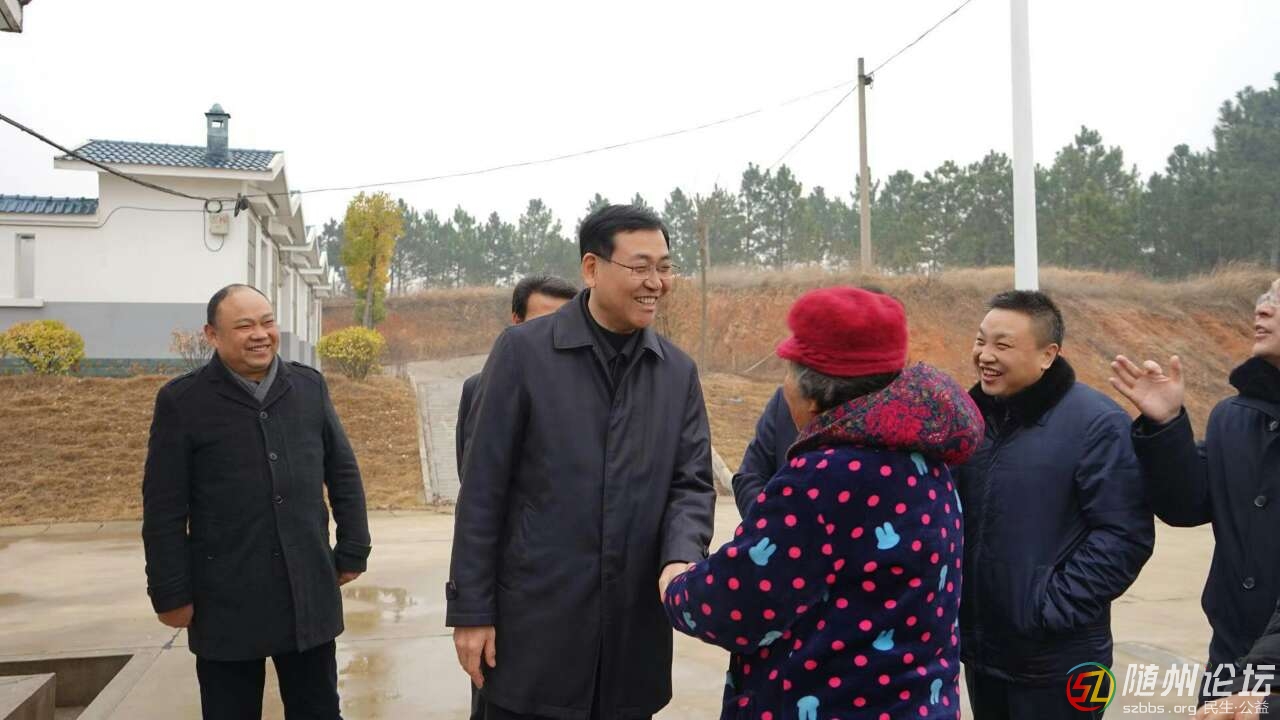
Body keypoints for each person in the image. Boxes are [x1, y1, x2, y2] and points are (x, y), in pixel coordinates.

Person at [446, 204, 716, 720]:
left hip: (631, 633)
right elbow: (482, 490)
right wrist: (471, 611)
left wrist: (680, 556)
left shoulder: (676, 372)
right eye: (640, 267)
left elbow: (691, 485)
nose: (656, 283)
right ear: (592, 268)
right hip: (534, 629)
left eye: (664, 267)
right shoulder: (523, 354)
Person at [664, 286, 983, 719]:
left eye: (789, 371)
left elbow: (737, 605)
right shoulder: (928, 461)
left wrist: (677, 582)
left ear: (813, 394)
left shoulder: (823, 479)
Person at [141, 283, 371, 720]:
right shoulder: (183, 402)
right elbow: (164, 509)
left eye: (267, 322)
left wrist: (353, 548)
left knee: (319, 710)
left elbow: (342, 472)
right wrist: (170, 592)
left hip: (307, 588)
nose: (260, 334)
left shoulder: (308, 386)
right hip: (226, 595)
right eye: (244, 326)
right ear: (212, 335)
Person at [958, 290, 1154, 719]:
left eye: (1003, 345)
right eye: (980, 340)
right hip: (983, 656)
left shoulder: (1097, 423)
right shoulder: (970, 421)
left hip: (1060, 663)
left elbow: (1124, 536)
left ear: (1048, 355)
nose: (985, 355)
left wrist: (1049, 609)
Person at [1111, 278, 1280, 717]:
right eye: (1264, 298)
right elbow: (1185, 506)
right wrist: (1166, 426)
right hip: (1231, 658)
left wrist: (1265, 680)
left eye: (1278, 302)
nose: (1263, 309)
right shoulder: (1234, 418)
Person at [455, 274, 576, 720]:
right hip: (514, 588)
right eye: (541, 321)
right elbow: (478, 492)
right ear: (515, 322)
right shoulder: (482, 387)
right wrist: (474, 605)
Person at [456, 275, 577, 473]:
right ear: (516, 321)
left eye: (565, 323)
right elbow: (474, 476)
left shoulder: (594, 387)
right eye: (541, 324)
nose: (555, 333)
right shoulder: (478, 389)